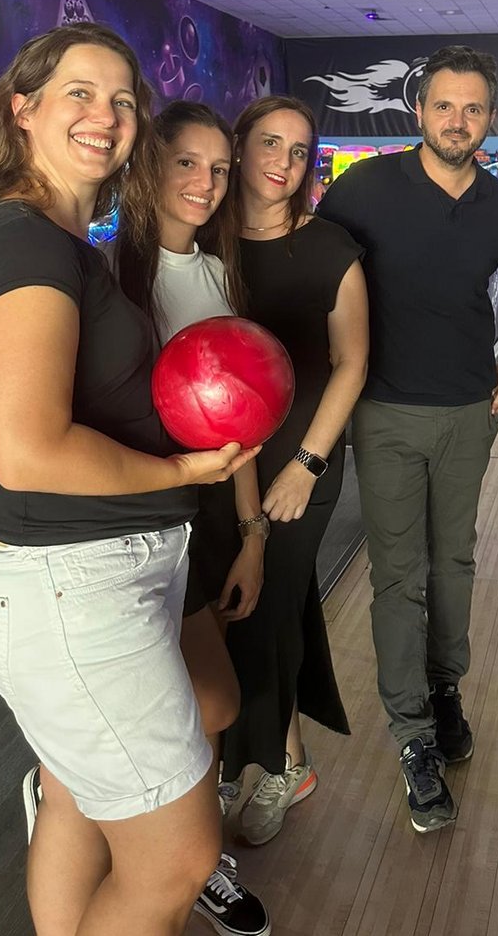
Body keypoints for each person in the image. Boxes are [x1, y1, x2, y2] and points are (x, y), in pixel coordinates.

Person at [0, 24, 257, 936]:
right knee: (179, 858)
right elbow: (29, 450)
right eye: (79, 93)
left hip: (106, 570)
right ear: (23, 110)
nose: (106, 115)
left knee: (85, 789)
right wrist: (179, 468)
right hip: (72, 584)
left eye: (123, 99)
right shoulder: (26, 242)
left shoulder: (53, 240)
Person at [319, 45, 498, 834]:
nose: (458, 121)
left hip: (469, 412)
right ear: (419, 111)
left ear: (489, 118)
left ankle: (446, 688)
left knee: (457, 562)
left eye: (474, 109)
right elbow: (311, 277)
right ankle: (412, 735)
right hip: (384, 411)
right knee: (399, 575)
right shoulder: (364, 188)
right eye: (445, 106)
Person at [112, 99, 270, 936]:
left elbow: (236, 425)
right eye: (186, 164)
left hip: (203, 517)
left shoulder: (214, 274)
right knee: (196, 708)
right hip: (127, 525)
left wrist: (251, 534)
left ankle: (194, 859)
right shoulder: (110, 280)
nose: (206, 184)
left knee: (208, 707)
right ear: (150, 167)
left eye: (218, 168)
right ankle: (164, 857)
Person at [218, 95, 368, 848]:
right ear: (239, 148)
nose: (282, 161)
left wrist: (308, 464)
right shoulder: (203, 245)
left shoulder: (329, 246)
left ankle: (266, 766)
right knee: (242, 605)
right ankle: (287, 758)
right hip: (217, 462)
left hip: (301, 457)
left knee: (266, 607)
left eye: (300, 150)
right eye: (269, 143)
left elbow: (352, 362)